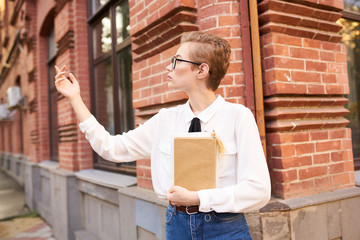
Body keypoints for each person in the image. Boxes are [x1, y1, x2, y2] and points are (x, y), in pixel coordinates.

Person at [55, 31, 271, 240]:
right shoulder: (165, 120)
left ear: (201, 70)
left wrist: (199, 198)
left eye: (176, 61)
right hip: (177, 226)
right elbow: (112, 148)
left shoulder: (238, 117)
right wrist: (75, 99)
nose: (169, 66)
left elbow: (258, 190)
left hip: (226, 228)